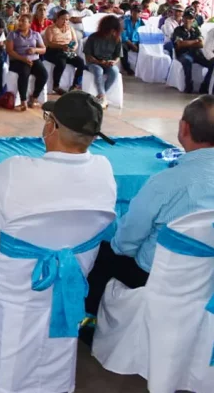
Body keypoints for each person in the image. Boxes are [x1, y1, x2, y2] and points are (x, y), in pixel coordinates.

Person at [0, 91, 116, 293]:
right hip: (71, 273)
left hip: (10, 279)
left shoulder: (15, 169)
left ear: (52, 126)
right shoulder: (104, 169)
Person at [84, 95, 214, 337]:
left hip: (158, 274)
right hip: (207, 275)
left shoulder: (167, 182)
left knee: (101, 254)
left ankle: (89, 324)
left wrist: (121, 249)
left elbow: (127, 241)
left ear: (184, 128)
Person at [6, 13, 48, 110]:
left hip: (34, 59)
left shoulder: (36, 34)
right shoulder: (12, 34)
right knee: (24, 73)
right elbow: (10, 51)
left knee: (43, 74)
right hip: (18, 60)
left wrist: (35, 50)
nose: (20, 23)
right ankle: (23, 101)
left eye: (23, 21)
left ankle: (34, 98)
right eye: (19, 21)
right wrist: (23, 59)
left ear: (29, 24)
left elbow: (43, 49)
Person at [84, 15, 122, 108]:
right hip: (94, 63)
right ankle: (103, 96)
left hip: (108, 63)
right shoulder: (93, 37)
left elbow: (118, 56)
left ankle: (101, 95)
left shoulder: (117, 38)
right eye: (111, 30)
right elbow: (88, 57)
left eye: (115, 30)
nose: (113, 32)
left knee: (115, 72)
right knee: (98, 71)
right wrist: (100, 62)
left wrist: (114, 61)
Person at [172, 9, 214, 94]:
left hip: (197, 54)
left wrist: (186, 43)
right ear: (183, 19)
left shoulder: (196, 30)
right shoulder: (178, 30)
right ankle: (188, 85)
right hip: (183, 53)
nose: (188, 20)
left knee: (212, 63)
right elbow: (180, 44)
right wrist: (195, 42)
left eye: (190, 18)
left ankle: (205, 85)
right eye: (186, 18)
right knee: (187, 61)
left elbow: (201, 44)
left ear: (193, 20)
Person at [43, 9, 84, 94]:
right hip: (53, 50)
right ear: (57, 18)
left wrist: (72, 48)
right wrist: (62, 46)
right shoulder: (51, 28)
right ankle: (56, 86)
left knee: (80, 62)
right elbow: (49, 43)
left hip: (67, 50)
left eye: (67, 19)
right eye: (62, 19)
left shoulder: (70, 28)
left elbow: (75, 41)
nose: (65, 21)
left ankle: (75, 85)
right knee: (61, 62)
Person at [121, 5, 144, 76]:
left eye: (139, 12)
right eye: (135, 12)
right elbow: (124, 36)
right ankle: (127, 68)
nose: (137, 14)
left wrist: (138, 44)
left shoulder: (142, 23)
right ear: (131, 12)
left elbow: (143, 35)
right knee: (122, 47)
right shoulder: (125, 21)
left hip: (137, 42)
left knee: (145, 48)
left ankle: (142, 68)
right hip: (127, 41)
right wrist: (132, 45)